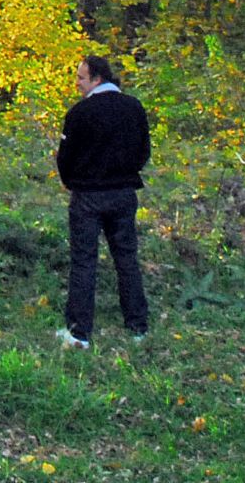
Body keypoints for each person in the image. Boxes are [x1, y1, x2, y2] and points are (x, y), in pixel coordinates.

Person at [55, 55, 151, 349]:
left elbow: (65, 158)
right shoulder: (134, 108)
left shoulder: (80, 113)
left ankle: (79, 331)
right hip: (124, 193)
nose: (77, 83)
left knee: (84, 262)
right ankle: (137, 327)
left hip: (88, 196)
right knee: (127, 260)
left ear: (96, 79)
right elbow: (144, 150)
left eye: (81, 78)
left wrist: (74, 181)